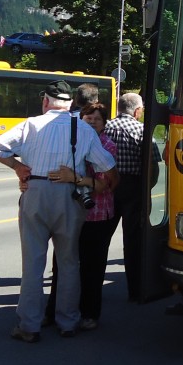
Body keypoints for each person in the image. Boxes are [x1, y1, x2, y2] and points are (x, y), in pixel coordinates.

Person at [0, 80, 115, 342]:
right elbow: (108, 166)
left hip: (35, 191)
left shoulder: (31, 125)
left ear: (46, 102)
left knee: (33, 262)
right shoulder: (83, 128)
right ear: (70, 105)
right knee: (69, 261)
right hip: (68, 195)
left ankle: (29, 325)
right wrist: (83, 179)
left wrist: (18, 168)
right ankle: (67, 321)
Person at [44, 102, 118, 330]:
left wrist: (75, 178)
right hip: (69, 212)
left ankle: (89, 313)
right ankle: (53, 310)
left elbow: (105, 184)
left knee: (92, 267)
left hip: (97, 214)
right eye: (88, 119)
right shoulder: (71, 143)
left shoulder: (107, 145)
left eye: (97, 119)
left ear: (104, 123)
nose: (93, 122)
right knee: (62, 264)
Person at [104, 91, 146, 300]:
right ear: (137, 111)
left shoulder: (106, 127)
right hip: (133, 187)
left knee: (102, 238)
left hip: (107, 186)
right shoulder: (141, 130)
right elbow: (153, 162)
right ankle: (135, 290)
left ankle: (90, 284)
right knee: (132, 240)